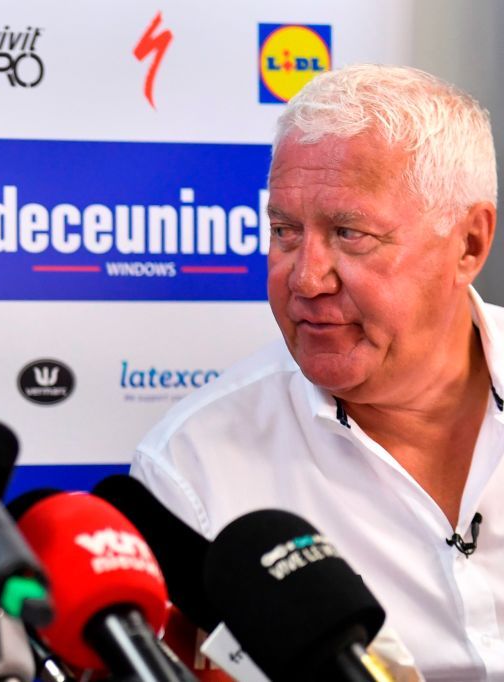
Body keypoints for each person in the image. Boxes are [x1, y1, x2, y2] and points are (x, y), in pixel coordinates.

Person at [132, 64, 501, 678]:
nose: (305, 280)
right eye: (284, 232)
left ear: (468, 243)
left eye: (349, 234)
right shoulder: (193, 469)